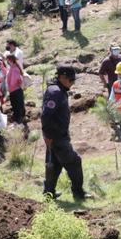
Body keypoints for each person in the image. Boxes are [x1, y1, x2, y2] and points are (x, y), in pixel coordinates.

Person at [41, 66, 90, 200]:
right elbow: (46, 116)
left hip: (56, 135)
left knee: (55, 165)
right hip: (56, 136)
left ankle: (49, 193)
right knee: (74, 162)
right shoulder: (55, 92)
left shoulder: (58, 90)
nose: (72, 82)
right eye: (70, 79)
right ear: (62, 77)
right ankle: (78, 193)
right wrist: (48, 135)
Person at [6, 54, 27, 128]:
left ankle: (19, 122)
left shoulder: (14, 68)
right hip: (15, 90)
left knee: (17, 106)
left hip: (15, 90)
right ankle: (20, 121)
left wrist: (10, 86)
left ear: (10, 60)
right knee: (18, 105)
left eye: (7, 60)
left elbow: (14, 80)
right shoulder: (14, 66)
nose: (7, 61)